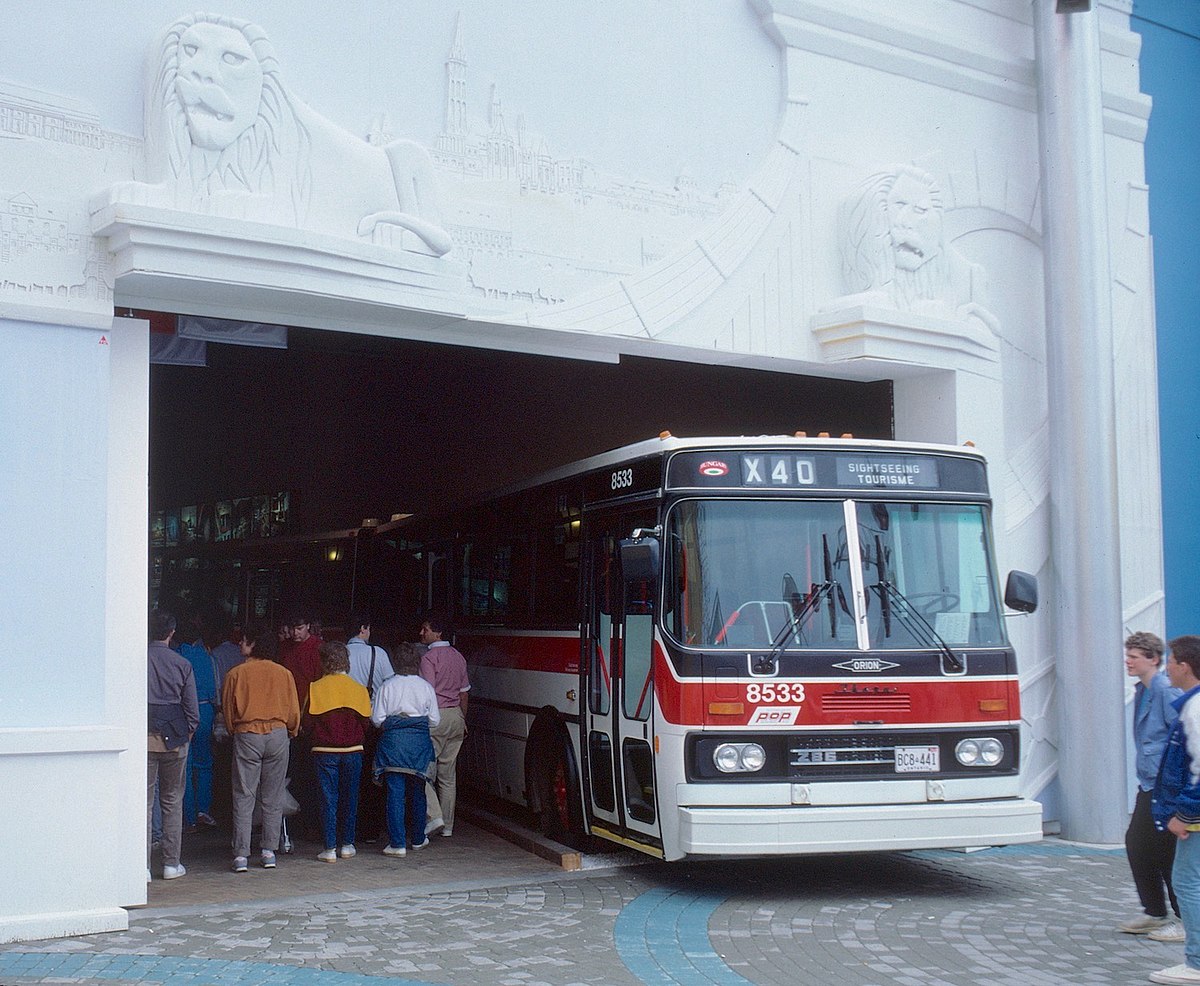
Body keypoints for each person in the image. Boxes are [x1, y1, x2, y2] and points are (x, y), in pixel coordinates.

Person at [1120, 631, 1183, 941]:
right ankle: (1155, 912)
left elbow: (1183, 736)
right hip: (1149, 781)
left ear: (1153, 659)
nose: (1127, 661)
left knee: (1161, 848)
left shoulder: (1165, 691)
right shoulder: (1142, 690)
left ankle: (1183, 919)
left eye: (1134, 656)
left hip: (1164, 784)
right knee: (1140, 844)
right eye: (1128, 655)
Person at [221, 624, 300, 873]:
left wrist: (236, 730)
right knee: (273, 795)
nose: (240, 644)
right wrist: (291, 731)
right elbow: (293, 712)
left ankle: (241, 854)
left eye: (244, 640)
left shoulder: (236, 674)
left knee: (244, 795)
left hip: (247, 734)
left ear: (253, 644)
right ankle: (268, 851)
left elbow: (228, 711)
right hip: (277, 734)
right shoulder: (283, 673)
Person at [1151, 636, 1200, 985]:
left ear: (1184, 666)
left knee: (1188, 882)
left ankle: (1196, 963)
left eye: (1170, 660)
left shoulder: (1194, 709)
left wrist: (1184, 814)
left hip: (1195, 815)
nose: (1166, 666)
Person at [305, 641, 372, 862]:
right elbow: (366, 724)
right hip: (353, 750)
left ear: (324, 662)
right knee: (350, 797)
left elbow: (307, 723)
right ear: (347, 661)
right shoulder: (359, 689)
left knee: (328, 799)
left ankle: (329, 848)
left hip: (324, 750)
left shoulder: (315, 688)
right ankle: (347, 844)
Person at [372, 642, 440, 856]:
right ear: (417, 663)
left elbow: (376, 719)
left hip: (392, 746)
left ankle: (398, 843)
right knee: (418, 793)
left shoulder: (387, 686)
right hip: (419, 747)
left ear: (395, 663)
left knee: (394, 794)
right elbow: (435, 720)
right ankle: (419, 839)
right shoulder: (426, 687)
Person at [147, 609, 199, 882]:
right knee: (172, 800)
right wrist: (187, 733)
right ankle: (171, 863)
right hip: (175, 739)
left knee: (144, 802)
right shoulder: (182, 663)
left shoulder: (138, 661)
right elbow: (192, 710)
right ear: (171, 633)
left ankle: (141, 865)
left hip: (143, 737)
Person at [419, 614, 470, 838]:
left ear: (437, 633)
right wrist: (462, 717)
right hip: (456, 716)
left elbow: (427, 693)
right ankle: (448, 826)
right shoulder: (459, 657)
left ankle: (435, 815)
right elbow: (464, 693)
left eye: (425, 629)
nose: (422, 633)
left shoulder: (428, 658)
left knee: (420, 771)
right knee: (448, 776)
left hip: (435, 718)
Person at [178, 615, 220, 831]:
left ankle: (188, 817)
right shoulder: (208, 657)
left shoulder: (177, 655)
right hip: (204, 710)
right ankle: (203, 809)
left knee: (183, 765)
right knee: (204, 764)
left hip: (181, 713)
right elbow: (216, 692)